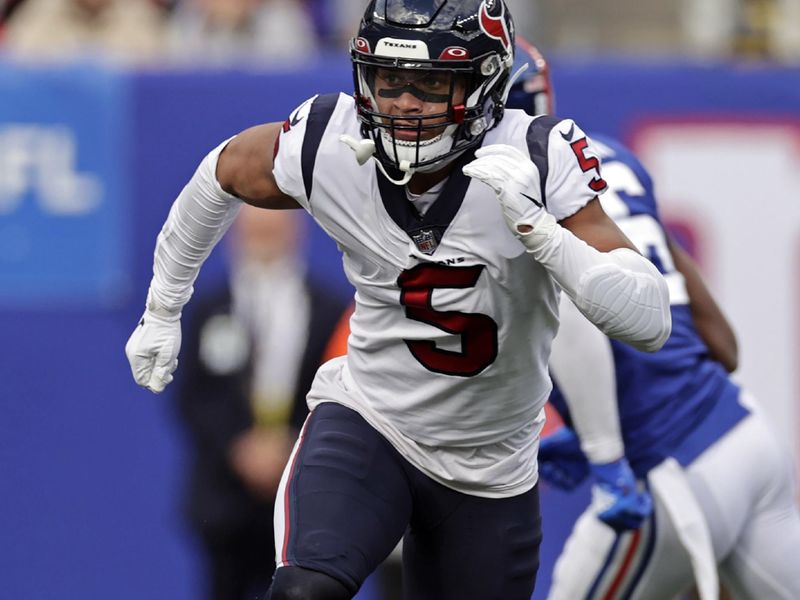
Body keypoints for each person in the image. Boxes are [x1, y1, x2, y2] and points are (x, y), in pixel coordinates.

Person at [124, 1, 673, 598]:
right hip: (372, 422)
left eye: (432, 81)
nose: (406, 103)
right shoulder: (328, 142)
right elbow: (222, 172)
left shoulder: (538, 157)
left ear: (484, 84)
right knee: (303, 591)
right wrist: (163, 307)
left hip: (489, 468)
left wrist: (539, 231)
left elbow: (649, 320)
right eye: (390, 81)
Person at [506, 41, 800, 600]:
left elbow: (576, 319)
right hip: (743, 432)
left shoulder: (507, 191)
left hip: (667, 467)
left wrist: (606, 454)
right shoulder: (608, 156)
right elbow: (723, 344)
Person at [175, 205, 346, 600]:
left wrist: (294, 445)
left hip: (304, 492)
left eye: (273, 230)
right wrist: (240, 448)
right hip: (226, 496)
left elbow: (342, 385)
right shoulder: (210, 309)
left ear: (295, 232)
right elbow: (194, 395)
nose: (263, 241)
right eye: (255, 231)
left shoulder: (329, 308)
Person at [2, 0, 165, 65]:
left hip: (125, 125)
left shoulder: (142, 18)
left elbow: (163, 82)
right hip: (56, 124)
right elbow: (19, 80)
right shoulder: (36, 15)